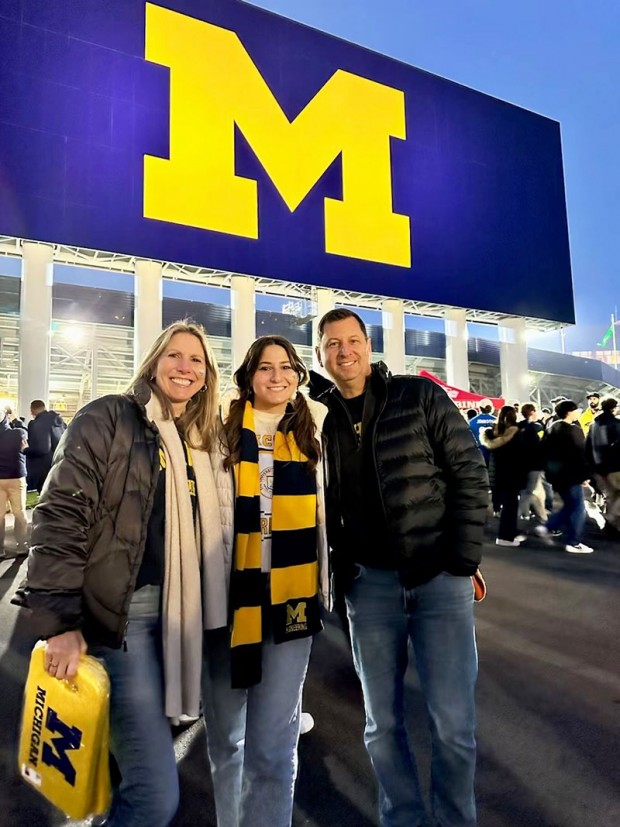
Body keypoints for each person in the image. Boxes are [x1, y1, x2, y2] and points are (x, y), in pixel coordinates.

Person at [13, 321, 230, 827]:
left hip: (180, 620)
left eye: (196, 360)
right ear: (154, 361)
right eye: (174, 355)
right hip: (121, 622)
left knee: (113, 772)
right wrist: (61, 622)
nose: (185, 367)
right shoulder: (110, 416)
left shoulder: (199, 443)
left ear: (207, 374)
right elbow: (60, 514)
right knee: (155, 798)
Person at [311, 308, 488, 827]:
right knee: (381, 725)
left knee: (453, 724)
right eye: (332, 344)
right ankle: (403, 818)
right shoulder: (315, 414)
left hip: (439, 580)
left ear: (369, 345)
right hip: (368, 588)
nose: (344, 352)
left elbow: (469, 472)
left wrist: (462, 560)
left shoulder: (418, 395)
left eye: (352, 340)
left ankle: (456, 820)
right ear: (319, 354)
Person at [203, 335, 330, 827]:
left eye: (287, 367)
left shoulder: (317, 426)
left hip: (293, 599)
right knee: (227, 741)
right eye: (265, 368)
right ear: (248, 376)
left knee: (275, 749)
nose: (277, 376)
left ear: (299, 374)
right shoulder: (219, 427)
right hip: (231, 597)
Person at [536, 400, 593, 553]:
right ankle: (573, 542)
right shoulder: (574, 430)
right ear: (569, 412)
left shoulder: (552, 428)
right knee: (578, 508)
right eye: (576, 410)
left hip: (557, 475)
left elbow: (544, 451)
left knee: (570, 505)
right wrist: (585, 476)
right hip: (572, 475)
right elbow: (579, 455)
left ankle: (547, 527)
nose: (578, 412)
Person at [481, 406, 527, 546]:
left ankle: (509, 533)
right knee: (511, 506)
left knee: (505, 505)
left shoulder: (492, 433)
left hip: (497, 473)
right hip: (512, 474)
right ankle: (505, 537)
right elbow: (521, 455)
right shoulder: (515, 433)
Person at [586, 397, 620, 537]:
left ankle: (613, 528)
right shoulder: (616, 424)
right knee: (616, 496)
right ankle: (611, 520)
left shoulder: (594, 424)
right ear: (614, 408)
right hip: (615, 466)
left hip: (598, 467)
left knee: (611, 497)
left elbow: (587, 447)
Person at [0, 411, 29, 557]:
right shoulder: (17, 433)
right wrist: (16, 419)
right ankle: (22, 546)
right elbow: (25, 432)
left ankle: (0, 549)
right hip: (16, 478)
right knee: (19, 512)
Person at [25, 400, 66, 492]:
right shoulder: (60, 422)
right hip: (59, 464)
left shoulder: (38, 423)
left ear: (33, 410)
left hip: (42, 468)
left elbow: (42, 448)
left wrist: (25, 450)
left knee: (41, 496)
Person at [517, 403, 547, 524]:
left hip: (521, 464)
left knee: (533, 492)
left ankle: (536, 516)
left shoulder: (519, 426)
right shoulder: (536, 428)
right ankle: (517, 516)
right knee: (529, 492)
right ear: (532, 412)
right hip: (534, 464)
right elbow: (539, 445)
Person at [468, 401, 496, 467]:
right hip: (493, 451)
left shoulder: (472, 421)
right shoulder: (496, 420)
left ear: (480, 408)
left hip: (478, 452)